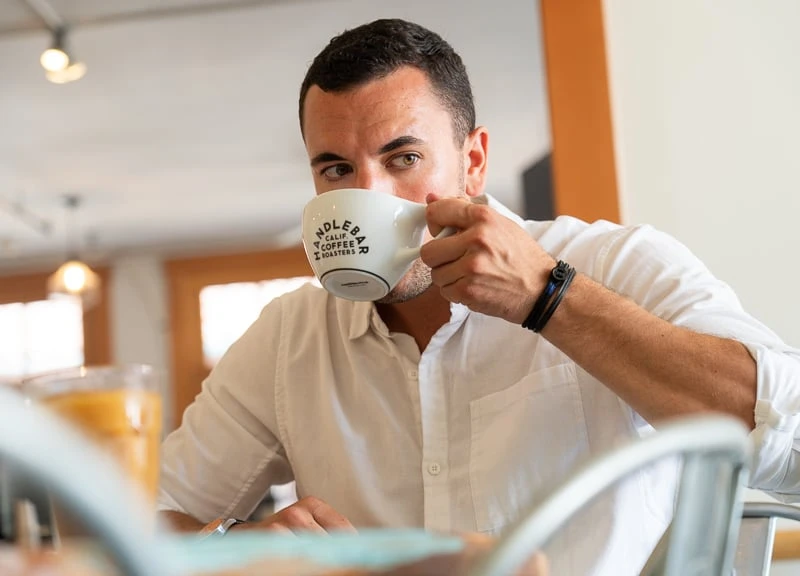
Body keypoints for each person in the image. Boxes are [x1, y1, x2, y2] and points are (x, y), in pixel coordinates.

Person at [157, 18, 800, 575]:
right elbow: (145, 516)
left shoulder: (616, 262)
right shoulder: (290, 336)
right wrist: (236, 553)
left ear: (474, 160)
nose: (370, 194)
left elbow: (793, 448)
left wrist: (550, 301)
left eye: (403, 158)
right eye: (336, 169)